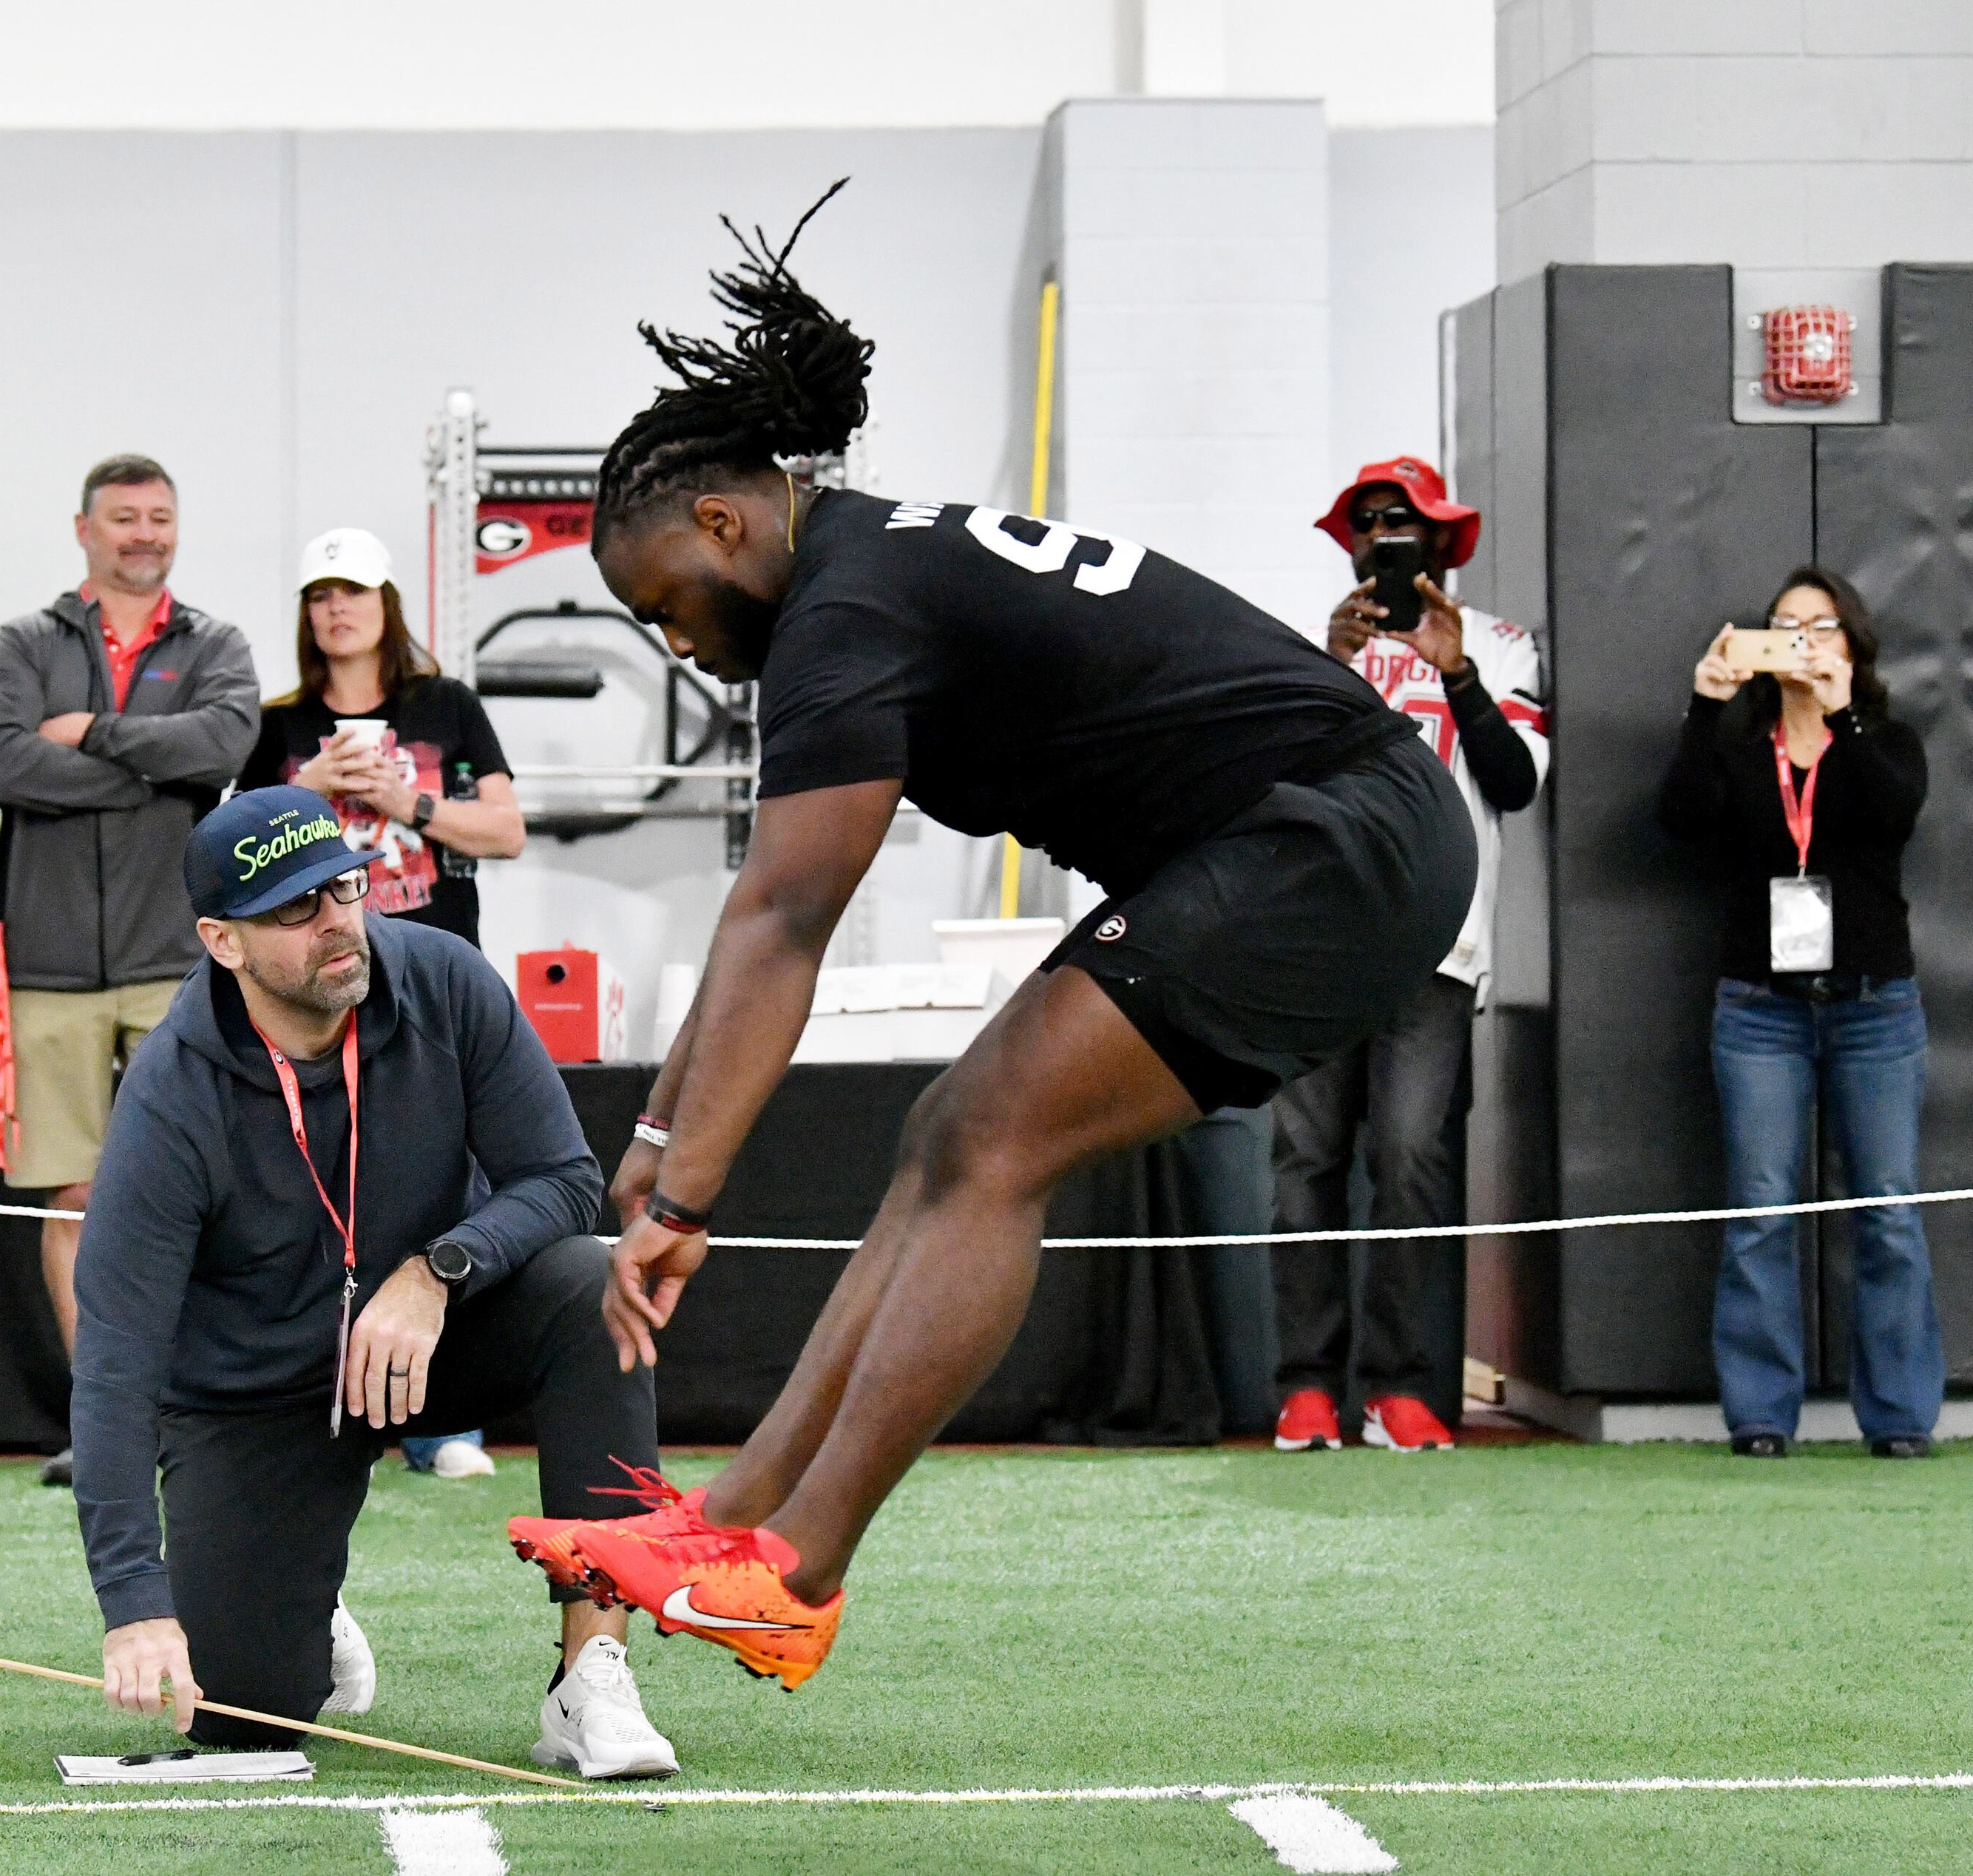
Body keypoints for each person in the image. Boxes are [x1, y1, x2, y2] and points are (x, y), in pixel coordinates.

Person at [507, 188, 1475, 1689]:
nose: (676, 641)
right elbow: (762, 908)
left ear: (725, 522)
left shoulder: (844, 609)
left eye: (668, 605)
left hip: (1339, 836)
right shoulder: (865, 566)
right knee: (953, 1132)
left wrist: (685, 1191)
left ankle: (795, 1570)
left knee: (993, 1135)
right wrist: (655, 1127)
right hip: (1300, 837)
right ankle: (733, 1518)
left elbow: (787, 919)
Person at [70, 786, 677, 1779]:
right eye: (295, 908)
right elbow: (114, 1365)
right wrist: (135, 1603)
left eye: (346, 887)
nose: (339, 922)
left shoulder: (443, 977)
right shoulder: (170, 1093)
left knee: (588, 1288)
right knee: (240, 1716)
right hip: (260, 1391)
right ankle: (298, 1601)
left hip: (431, 1335)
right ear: (223, 941)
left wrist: (438, 1271)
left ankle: (590, 1674)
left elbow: (565, 1180)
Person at [0, 455, 259, 1489]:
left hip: (178, 957)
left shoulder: (216, 643)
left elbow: (222, 746)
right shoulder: (24, 642)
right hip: (46, 962)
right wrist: (151, 768)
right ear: (84, 528)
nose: (145, 533)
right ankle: (104, 1423)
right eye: (125, 517)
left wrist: (93, 735)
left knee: (199, 1192)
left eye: (160, 517)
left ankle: (196, 1411)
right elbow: (5, 762)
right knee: (75, 1195)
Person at [1269, 459, 1549, 1455]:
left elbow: (1515, 782)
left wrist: (1457, 672)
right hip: (1319, 938)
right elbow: (1264, 784)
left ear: (1440, 540)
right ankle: (1305, 1384)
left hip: (1438, 938)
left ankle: (1400, 1384)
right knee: (1304, 1159)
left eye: (1403, 520)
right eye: (1369, 521)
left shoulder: (1501, 645)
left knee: (1410, 1156)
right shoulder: (1310, 649)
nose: (1383, 534)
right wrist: (1327, 669)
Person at [238, 524, 527, 1480]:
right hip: (313, 987)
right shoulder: (279, 725)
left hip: (435, 976)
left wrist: (410, 805)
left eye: (354, 591)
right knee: (319, 1186)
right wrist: (303, 789)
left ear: (386, 602)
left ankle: (446, 1419)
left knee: (454, 1186)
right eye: (321, 593)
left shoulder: (446, 704)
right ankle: (325, 1405)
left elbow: (507, 829)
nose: (338, 609)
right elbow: (231, 854)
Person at [1658, 569, 1938, 1460]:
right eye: (1786, 625)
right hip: (1760, 1009)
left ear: (1853, 643)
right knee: (1761, 1209)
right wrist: (1705, 707)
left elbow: (1894, 811)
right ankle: (1761, 1415)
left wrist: (1843, 714)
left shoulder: (1885, 740)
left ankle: (1899, 1416)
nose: (1804, 641)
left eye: (1822, 627)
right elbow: (1681, 817)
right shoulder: (1745, 751)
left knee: (1888, 1208)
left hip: (1874, 1005)